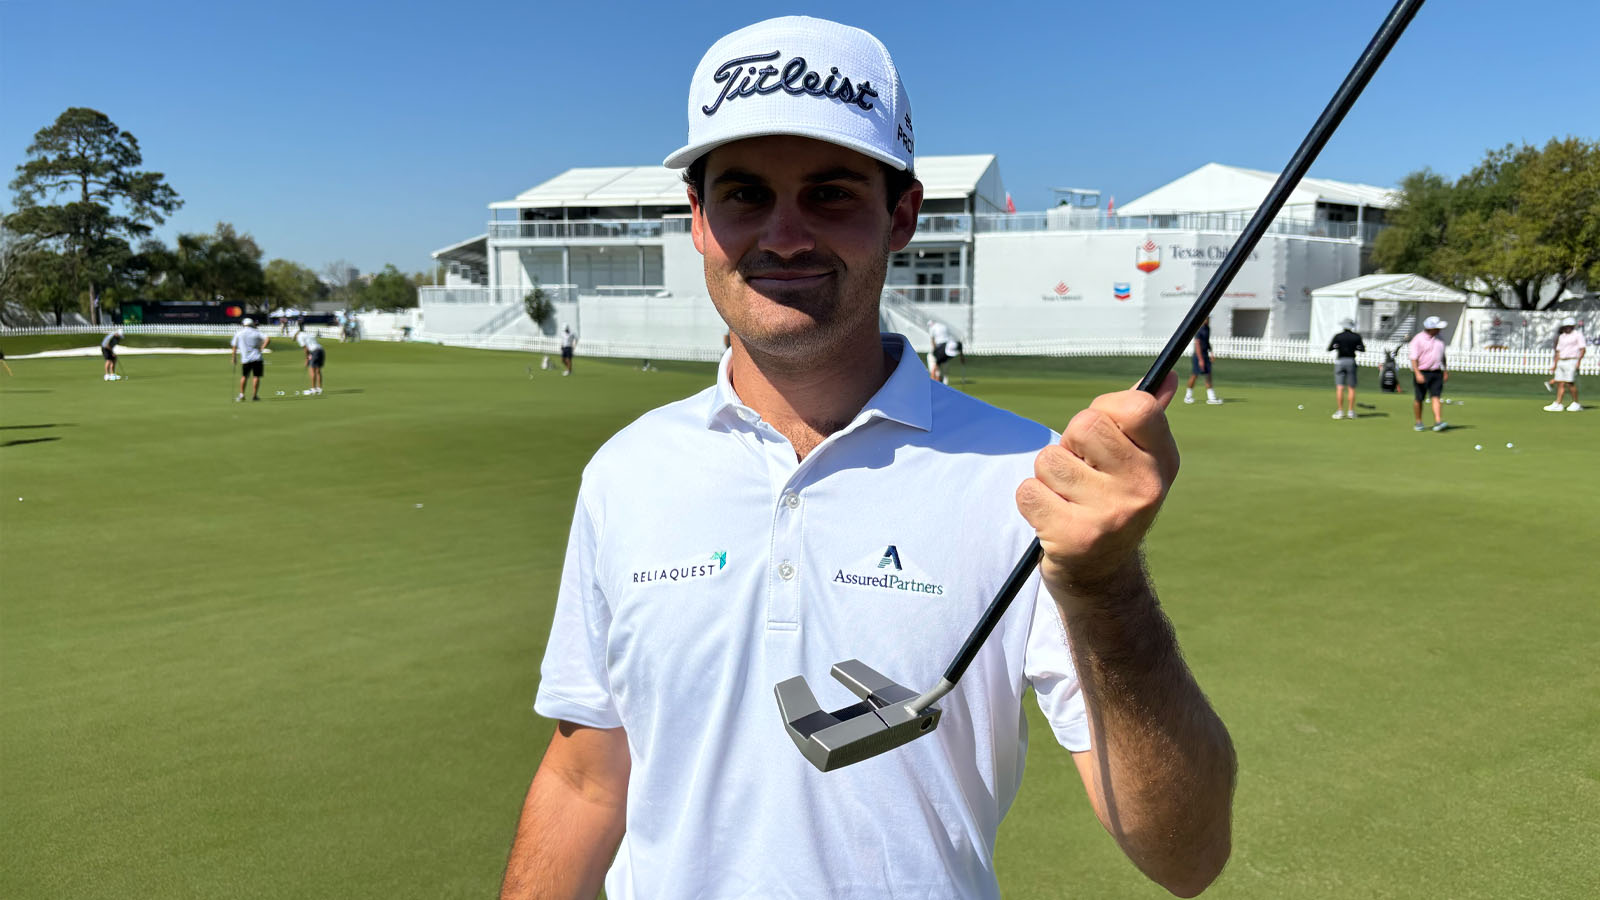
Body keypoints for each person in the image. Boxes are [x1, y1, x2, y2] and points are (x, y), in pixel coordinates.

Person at [501, 17, 1235, 900]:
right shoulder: (627, 473)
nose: (784, 235)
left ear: (903, 217)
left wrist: (1107, 588)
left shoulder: (1032, 478)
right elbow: (585, 783)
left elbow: (1186, 855)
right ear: (697, 220)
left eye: (831, 194)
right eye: (744, 194)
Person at [1408, 315, 1450, 431]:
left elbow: (1442, 355)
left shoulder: (1440, 338)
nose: (1439, 330)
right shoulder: (1418, 339)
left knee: (1436, 396)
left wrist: (1445, 370)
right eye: (1437, 328)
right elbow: (1413, 358)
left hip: (1436, 372)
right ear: (1431, 328)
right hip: (1422, 372)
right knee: (1419, 398)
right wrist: (1417, 373)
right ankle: (1418, 422)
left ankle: (1438, 421)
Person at [1327, 318, 1366, 418]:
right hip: (1351, 361)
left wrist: (1338, 346)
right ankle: (1351, 411)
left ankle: (1340, 411)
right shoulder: (1356, 337)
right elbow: (1362, 349)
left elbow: (1330, 348)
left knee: (1340, 387)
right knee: (1351, 387)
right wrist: (1355, 347)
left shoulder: (1338, 336)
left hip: (1340, 361)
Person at [1544, 316, 1585, 412]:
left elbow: (1582, 349)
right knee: (1560, 383)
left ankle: (1576, 403)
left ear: (1572, 326)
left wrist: (1579, 362)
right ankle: (1558, 403)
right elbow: (1558, 351)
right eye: (1565, 326)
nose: (1567, 328)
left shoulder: (1578, 335)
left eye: (1569, 326)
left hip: (1572, 360)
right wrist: (1555, 364)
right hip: (1561, 361)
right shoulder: (1562, 336)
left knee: (1570, 383)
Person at [1183, 316, 1222, 404]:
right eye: (1206, 318)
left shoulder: (1208, 328)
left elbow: (1207, 342)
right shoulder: (1199, 329)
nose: (1208, 320)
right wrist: (1200, 359)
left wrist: (1211, 353)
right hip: (1198, 356)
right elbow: (1197, 344)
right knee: (1195, 375)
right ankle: (1188, 397)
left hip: (1205, 355)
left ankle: (1211, 398)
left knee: (1208, 374)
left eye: (1209, 319)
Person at [230, 317, 269, 402]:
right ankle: (254, 395)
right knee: (256, 376)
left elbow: (234, 346)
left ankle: (242, 394)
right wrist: (262, 347)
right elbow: (267, 339)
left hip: (246, 359)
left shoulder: (239, 333)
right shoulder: (256, 332)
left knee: (244, 376)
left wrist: (234, 358)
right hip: (257, 357)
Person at [295, 325, 325, 395]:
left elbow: (305, 349)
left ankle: (313, 389)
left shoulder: (299, 337)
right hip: (320, 350)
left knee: (312, 370)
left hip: (314, 351)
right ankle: (319, 389)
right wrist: (309, 355)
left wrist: (306, 359)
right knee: (317, 370)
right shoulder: (306, 334)